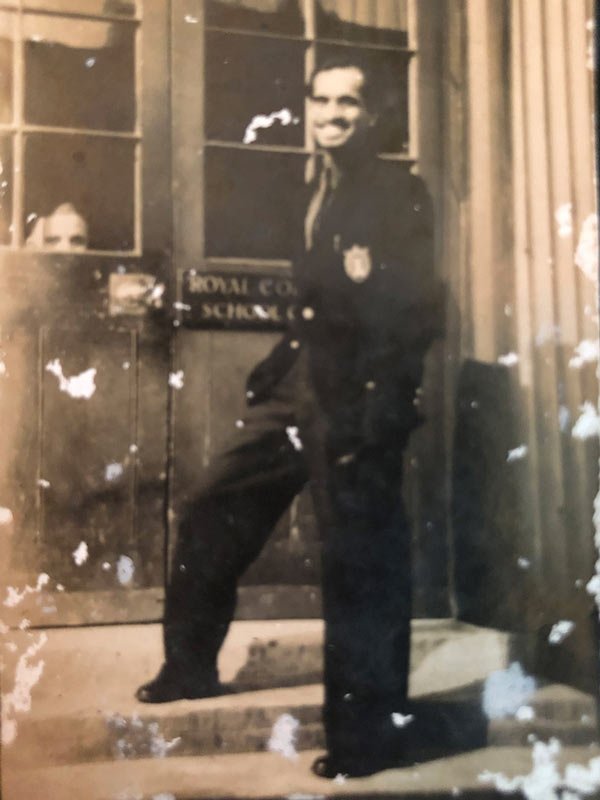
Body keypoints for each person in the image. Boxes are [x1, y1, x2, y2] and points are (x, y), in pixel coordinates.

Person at [136, 54, 444, 779]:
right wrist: (280, 366)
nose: (332, 114)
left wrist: (378, 417)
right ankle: (189, 666)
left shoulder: (399, 194)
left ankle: (365, 739)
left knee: (359, 563)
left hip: (359, 401)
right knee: (214, 504)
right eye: (321, 100)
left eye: (349, 103)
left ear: (372, 116)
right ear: (306, 108)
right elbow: (319, 306)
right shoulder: (313, 188)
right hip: (299, 390)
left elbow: (413, 318)